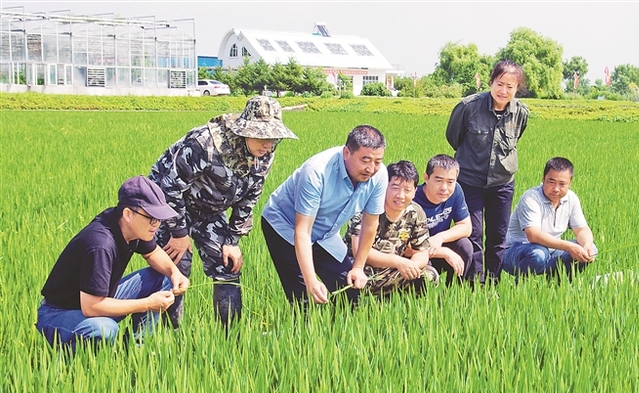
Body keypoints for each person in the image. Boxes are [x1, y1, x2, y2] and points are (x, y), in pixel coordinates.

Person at [148, 96, 297, 329]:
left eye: (273, 138)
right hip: (173, 208)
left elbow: (251, 194)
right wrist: (178, 233)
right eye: (262, 136)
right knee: (177, 268)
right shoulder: (204, 144)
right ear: (244, 130)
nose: (268, 144)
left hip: (210, 210)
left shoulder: (265, 153)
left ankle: (230, 339)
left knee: (227, 265)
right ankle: (169, 338)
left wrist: (232, 239)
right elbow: (169, 187)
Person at [36, 176, 190, 353]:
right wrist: (148, 304)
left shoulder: (128, 226)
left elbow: (153, 252)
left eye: (159, 219)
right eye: (151, 218)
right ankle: (68, 367)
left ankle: (136, 352)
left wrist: (174, 273)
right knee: (106, 329)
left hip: (97, 300)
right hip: (60, 313)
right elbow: (91, 307)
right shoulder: (100, 244)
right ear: (128, 214)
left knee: (163, 278)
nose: (156, 224)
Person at [261, 124, 388, 307]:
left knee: (351, 292)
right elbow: (302, 231)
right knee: (303, 300)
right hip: (285, 227)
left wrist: (359, 267)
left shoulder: (379, 175)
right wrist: (311, 281)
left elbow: (370, 224)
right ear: (346, 153)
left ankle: (337, 334)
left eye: (377, 161)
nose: (371, 168)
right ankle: (303, 332)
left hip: (325, 234)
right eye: (365, 160)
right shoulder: (317, 172)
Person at [445, 59, 529, 284]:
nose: (503, 91)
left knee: (498, 237)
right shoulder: (468, 106)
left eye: (510, 87)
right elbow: (454, 138)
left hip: (502, 184)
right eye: (500, 84)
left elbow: (517, 137)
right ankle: (473, 283)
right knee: (472, 234)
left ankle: (492, 284)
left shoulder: (520, 112)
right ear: (491, 81)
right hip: (469, 182)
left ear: (516, 88)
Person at [344, 160, 438, 296]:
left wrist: (411, 266)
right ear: (384, 186)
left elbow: (422, 251)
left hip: (393, 271)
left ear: (414, 191)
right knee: (352, 283)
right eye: (395, 187)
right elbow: (359, 250)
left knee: (429, 275)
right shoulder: (367, 207)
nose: (400, 195)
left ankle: (403, 310)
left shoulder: (416, 212)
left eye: (407, 190)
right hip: (362, 269)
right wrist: (399, 262)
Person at [502, 157, 597, 280]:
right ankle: (520, 289)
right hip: (516, 252)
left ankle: (557, 288)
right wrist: (569, 247)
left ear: (570, 182)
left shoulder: (571, 199)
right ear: (543, 179)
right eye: (551, 182)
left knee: (591, 250)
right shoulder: (530, 198)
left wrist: (587, 245)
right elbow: (533, 235)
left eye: (562, 184)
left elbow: (582, 229)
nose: (556, 189)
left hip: (551, 251)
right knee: (538, 253)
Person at [412, 154, 473, 285]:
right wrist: (445, 253)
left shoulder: (456, 191)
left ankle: (452, 295)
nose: (444, 188)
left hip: (437, 246)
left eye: (450, 182)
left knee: (465, 246)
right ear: (426, 178)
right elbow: (406, 247)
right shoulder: (413, 200)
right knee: (426, 274)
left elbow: (466, 227)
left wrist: (440, 237)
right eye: (438, 180)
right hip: (417, 252)